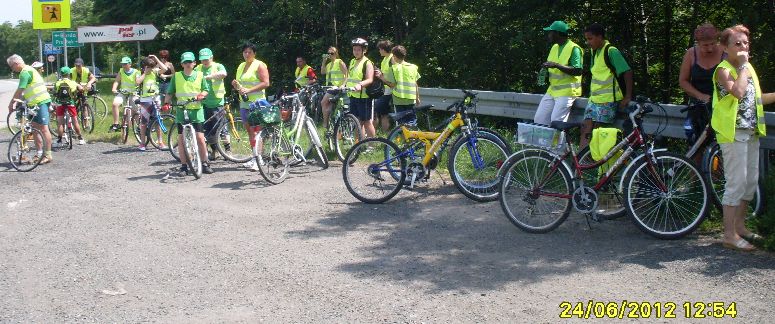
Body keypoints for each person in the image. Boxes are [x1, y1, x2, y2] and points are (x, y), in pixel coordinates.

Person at [712, 25, 775, 251]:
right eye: (737, 43)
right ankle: (728, 234)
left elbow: (756, 98)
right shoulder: (724, 69)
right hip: (732, 134)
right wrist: (745, 67)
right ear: (725, 47)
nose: (743, 47)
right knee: (736, 183)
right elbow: (737, 92)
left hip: (751, 132)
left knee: (750, 183)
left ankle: (740, 227)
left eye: (745, 43)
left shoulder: (747, 69)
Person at [579, 23, 633, 148]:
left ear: (600, 37)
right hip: (594, 99)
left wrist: (627, 96)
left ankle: (598, 162)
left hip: (608, 101)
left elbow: (627, 71)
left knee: (599, 131)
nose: (588, 42)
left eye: (590, 38)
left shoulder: (611, 51)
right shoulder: (595, 52)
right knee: (585, 128)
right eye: (586, 39)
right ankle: (581, 161)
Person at [165, 51, 213, 176]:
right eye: (185, 62)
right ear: (182, 64)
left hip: (196, 110)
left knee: (200, 139)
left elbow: (206, 89)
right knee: (181, 139)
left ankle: (204, 163)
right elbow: (170, 92)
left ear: (194, 63)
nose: (188, 64)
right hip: (181, 110)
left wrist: (202, 94)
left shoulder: (200, 75)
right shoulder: (177, 76)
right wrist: (166, 103)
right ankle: (184, 166)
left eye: (190, 62)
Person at [678, 23, 724, 148]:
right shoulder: (691, 54)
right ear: (697, 43)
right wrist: (700, 96)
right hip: (699, 107)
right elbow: (683, 81)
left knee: (721, 148)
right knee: (697, 146)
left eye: (713, 43)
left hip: (722, 107)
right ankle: (696, 167)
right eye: (705, 45)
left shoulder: (725, 52)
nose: (710, 48)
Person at [6, 54, 54, 164]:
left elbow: (20, 89)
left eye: (12, 67)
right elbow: (26, 90)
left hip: (41, 101)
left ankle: (48, 154)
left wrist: (11, 103)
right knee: (35, 128)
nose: (13, 69)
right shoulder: (29, 69)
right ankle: (39, 153)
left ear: (16, 63)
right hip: (34, 103)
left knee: (43, 128)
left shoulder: (25, 72)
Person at [534, 21, 583, 126]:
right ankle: (545, 142)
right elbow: (553, 66)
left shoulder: (574, 48)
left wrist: (556, 65)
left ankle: (559, 143)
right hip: (552, 90)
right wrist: (546, 69)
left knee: (556, 124)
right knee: (539, 119)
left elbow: (578, 70)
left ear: (557, 33)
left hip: (567, 92)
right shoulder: (554, 47)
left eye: (550, 32)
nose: (549, 35)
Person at [231, 43, 270, 171]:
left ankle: (259, 159)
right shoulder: (241, 65)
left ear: (254, 53)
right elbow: (241, 85)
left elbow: (266, 83)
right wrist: (236, 84)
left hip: (257, 102)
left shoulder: (260, 65)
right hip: (244, 103)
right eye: (245, 52)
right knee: (250, 132)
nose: (247, 54)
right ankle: (255, 157)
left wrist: (249, 90)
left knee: (258, 131)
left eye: (249, 52)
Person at [194, 48, 228, 158]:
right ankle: (215, 151)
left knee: (221, 127)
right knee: (208, 129)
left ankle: (228, 151)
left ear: (211, 58)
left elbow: (224, 73)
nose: (204, 62)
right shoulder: (198, 68)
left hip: (217, 102)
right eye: (202, 59)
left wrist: (210, 76)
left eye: (206, 59)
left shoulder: (218, 66)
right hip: (203, 103)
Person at [376, 45, 421, 127]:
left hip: (399, 99)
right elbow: (415, 84)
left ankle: (404, 138)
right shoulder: (413, 67)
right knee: (412, 119)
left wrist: (382, 78)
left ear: (394, 56)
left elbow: (392, 84)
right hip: (411, 98)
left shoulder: (394, 68)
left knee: (402, 121)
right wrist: (417, 97)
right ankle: (413, 137)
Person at [135, 55, 169, 151]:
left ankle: (160, 142)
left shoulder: (155, 72)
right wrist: (145, 73)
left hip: (155, 99)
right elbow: (137, 82)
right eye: (149, 67)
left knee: (158, 121)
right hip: (145, 100)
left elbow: (165, 68)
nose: (151, 69)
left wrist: (156, 58)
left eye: (152, 67)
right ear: (145, 67)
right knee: (144, 122)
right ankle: (142, 143)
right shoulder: (140, 73)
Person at [346, 38, 376, 139]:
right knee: (357, 121)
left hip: (364, 97)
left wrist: (360, 85)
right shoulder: (352, 61)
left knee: (366, 121)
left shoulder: (367, 63)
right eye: (354, 49)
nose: (356, 52)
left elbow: (370, 79)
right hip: (353, 95)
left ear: (364, 50)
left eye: (358, 50)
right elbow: (350, 77)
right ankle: (359, 144)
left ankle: (371, 145)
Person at [53, 67, 86, 146]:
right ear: (69, 74)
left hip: (60, 104)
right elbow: (81, 89)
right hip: (70, 103)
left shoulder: (57, 83)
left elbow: (54, 92)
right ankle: (80, 138)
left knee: (60, 123)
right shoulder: (73, 83)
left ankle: (59, 140)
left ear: (61, 74)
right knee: (75, 120)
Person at [320, 46, 348, 128]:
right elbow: (322, 72)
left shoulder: (339, 62)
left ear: (336, 54)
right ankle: (331, 122)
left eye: (331, 53)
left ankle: (325, 124)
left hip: (337, 87)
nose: (330, 55)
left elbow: (346, 75)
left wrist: (343, 85)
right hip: (330, 87)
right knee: (328, 106)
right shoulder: (329, 64)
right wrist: (323, 62)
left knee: (323, 102)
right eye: (328, 54)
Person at [110, 56, 140, 132]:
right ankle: (116, 124)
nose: (123, 65)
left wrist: (137, 84)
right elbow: (117, 81)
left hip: (133, 93)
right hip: (123, 93)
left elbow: (138, 82)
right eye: (122, 64)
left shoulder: (136, 72)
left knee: (137, 110)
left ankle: (139, 127)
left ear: (130, 64)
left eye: (125, 64)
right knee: (115, 104)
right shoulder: (121, 71)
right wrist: (114, 88)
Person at [373, 40, 394, 133]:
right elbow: (384, 73)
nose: (379, 51)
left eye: (380, 49)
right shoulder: (384, 59)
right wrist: (377, 70)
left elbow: (395, 74)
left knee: (379, 110)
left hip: (390, 89)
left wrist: (382, 77)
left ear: (384, 49)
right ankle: (384, 133)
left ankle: (385, 133)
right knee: (381, 113)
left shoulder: (392, 59)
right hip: (384, 89)